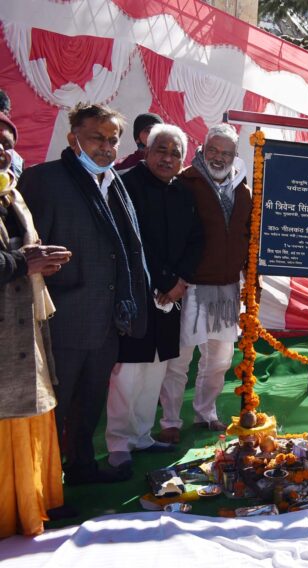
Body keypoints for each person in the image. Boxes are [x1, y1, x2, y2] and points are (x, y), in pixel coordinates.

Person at [19, 102, 148, 485]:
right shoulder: (44, 180)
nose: (107, 147)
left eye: (113, 140)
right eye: (97, 138)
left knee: (89, 403)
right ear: (73, 138)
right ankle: (43, 484)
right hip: (63, 319)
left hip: (107, 320)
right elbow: (27, 248)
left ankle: (81, 467)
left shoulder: (113, 181)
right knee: (54, 409)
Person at [105, 124, 204, 469]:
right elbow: (131, 242)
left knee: (157, 369)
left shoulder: (183, 193)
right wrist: (164, 281)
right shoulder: (125, 185)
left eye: (176, 153)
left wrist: (181, 281)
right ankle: (118, 442)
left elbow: (196, 240)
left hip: (172, 295)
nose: (168, 158)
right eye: (161, 150)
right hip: (136, 294)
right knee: (129, 373)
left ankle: (143, 436)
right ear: (147, 151)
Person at [0, 112, 73, 536]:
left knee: (30, 408)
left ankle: (32, 504)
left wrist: (40, 256)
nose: (2, 149)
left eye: (7, 141)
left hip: (22, 325)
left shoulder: (11, 193)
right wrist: (23, 262)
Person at [157, 123, 250, 443]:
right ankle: (170, 420)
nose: (219, 157)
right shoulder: (185, 182)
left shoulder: (243, 188)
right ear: (202, 148)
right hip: (191, 286)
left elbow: (247, 235)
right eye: (213, 150)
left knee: (220, 360)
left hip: (227, 287)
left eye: (226, 153)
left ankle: (205, 412)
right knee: (179, 360)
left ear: (235, 156)